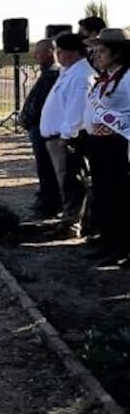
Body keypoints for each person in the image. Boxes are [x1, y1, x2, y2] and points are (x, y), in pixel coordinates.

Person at [39, 33, 96, 239]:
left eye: (59, 51)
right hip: (57, 137)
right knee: (65, 182)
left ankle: (73, 224)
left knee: (71, 182)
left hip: (69, 138)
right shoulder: (69, 71)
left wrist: (67, 136)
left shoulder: (81, 76)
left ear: (70, 53)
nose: (57, 55)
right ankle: (69, 220)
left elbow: (77, 110)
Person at [82, 28, 130, 264]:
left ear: (118, 53)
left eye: (102, 50)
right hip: (98, 144)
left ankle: (120, 246)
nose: (96, 55)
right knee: (103, 194)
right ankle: (108, 240)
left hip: (118, 145)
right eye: (95, 51)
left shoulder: (128, 78)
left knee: (118, 196)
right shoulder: (105, 77)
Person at [19, 39, 62, 217]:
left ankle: (49, 203)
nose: (35, 55)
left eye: (39, 52)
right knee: (43, 166)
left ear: (51, 51)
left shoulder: (53, 74)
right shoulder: (47, 73)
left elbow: (41, 103)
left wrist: (28, 118)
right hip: (37, 127)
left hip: (42, 127)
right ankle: (46, 199)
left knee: (47, 167)